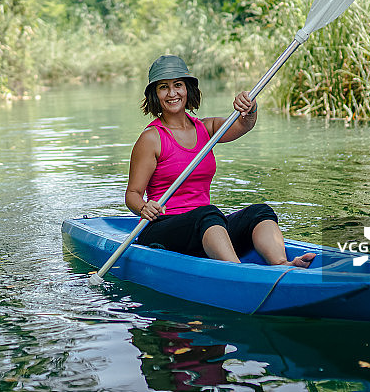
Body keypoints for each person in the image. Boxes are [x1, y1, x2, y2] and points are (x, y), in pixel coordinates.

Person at [125, 55, 316, 267]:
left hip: (206, 226)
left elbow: (244, 124)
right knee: (208, 214)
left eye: (178, 85)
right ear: (155, 94)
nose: (172, 93)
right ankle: (237, 272)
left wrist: (249, 108)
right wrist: (143, 208)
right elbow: (132, 195)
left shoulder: (208, 128)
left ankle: (281, 263)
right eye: (163, 87)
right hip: (162, 228)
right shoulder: (151, 138)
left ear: (187, 88)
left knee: (259, 212)